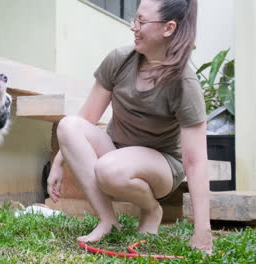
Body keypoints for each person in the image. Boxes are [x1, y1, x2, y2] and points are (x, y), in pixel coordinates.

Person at [47, 0, 213, 253]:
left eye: (142, 22)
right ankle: (108, 221)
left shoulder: (184, 84)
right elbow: (86, 119)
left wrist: (203, 232)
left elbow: (196, 161)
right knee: (69, 124)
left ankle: (151, 209)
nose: (133, 27)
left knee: (109, 169)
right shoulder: (119, 60)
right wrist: (58, 163)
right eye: (134, 19)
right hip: (115, 150)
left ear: (168, 28)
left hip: (162, 165)